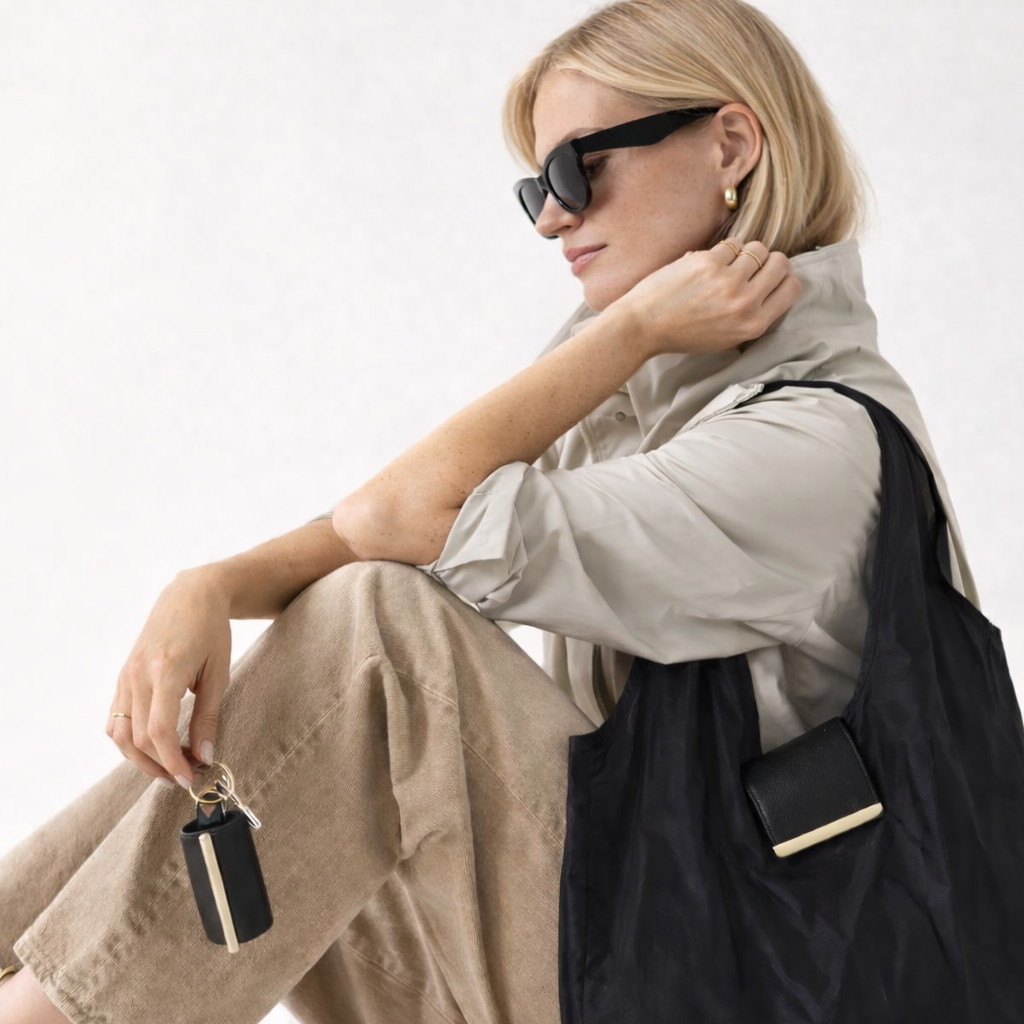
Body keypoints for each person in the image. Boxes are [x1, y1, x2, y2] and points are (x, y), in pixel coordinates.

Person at [0, 0, 982, 1022]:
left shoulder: (811, 446)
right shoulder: (645, 394)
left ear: (730, 145)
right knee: (306, 752)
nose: (553, 219)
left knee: (381, 639)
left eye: (576, 170)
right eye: (535, 190)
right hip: (649, 948)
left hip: (752, 980)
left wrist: (630, 329)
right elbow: (369, 529)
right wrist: (209, 585)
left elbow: (397, 516)